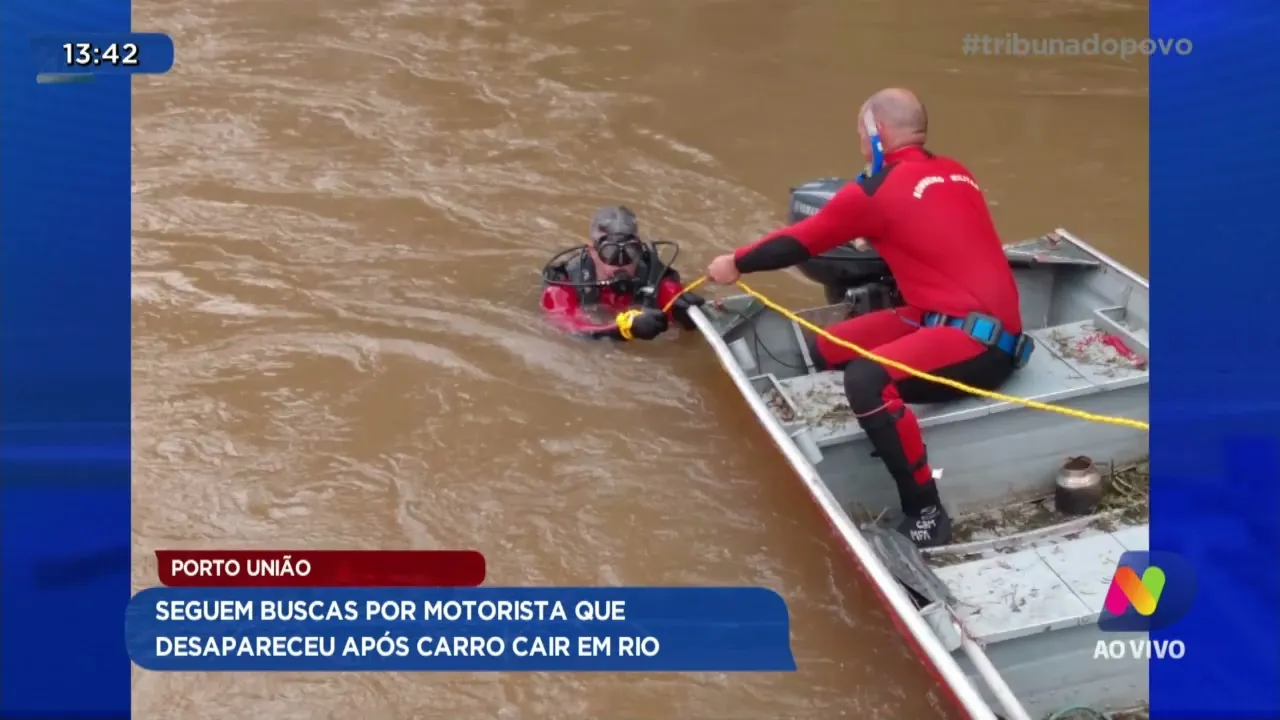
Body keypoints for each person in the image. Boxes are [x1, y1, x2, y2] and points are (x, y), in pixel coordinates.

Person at [703, 88, 1031, 548]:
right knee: (827, 347)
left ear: (877, 133)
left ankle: (926, 513)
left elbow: (798, 242)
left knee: (865, 380)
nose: (859, 142)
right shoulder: (957, 171)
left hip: (981, 347)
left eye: (861, 132)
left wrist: (735, 262)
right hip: (948, 319)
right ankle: (885, 431)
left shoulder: (874, 192)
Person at [541, 205, 704, 341]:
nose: (621, 262)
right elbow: (567, 328)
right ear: (592, 251)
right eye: (610, 252)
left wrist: (687, 315)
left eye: (630, 251)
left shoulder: (655, 278)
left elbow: (678, 305)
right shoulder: (564, 283)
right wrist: (623, 330)